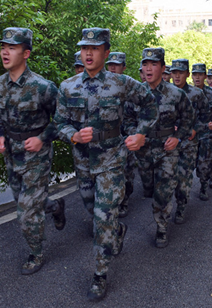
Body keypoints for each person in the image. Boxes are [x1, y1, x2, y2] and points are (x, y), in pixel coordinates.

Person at [53, 28, 158, 301]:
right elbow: (59, 123)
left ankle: (99, 275)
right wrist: (72, 135)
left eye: (95, 48)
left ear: (106, 52)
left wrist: (141, 133)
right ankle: (118, 230)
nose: (88, 53)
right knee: (92, 209)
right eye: (84, 48)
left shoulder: (121, 83)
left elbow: (150, 105)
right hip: (83, 161)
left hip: (112, 158)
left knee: (102, 218)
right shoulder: (67, 86)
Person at [0, 27, 66, 276]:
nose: (5, 52)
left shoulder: (43, 87)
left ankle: (36, 253)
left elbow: (63, 120)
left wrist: (43, 138)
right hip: (12, 154)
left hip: (37, 155)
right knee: (25, 200)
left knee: (25, 211)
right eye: (3, 47)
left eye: (12, 47)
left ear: (26, 53)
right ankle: (54, 207)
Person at [131, 48, 194, 248]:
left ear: (163, 68)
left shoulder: (176, 94)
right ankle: (156, 204)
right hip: (144, 150)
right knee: (148, 188)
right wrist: (134, 136)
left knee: (163, 191)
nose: (149, 69)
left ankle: (161, 227)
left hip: (168, 150)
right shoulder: (135, 93)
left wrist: (177, 138)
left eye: (154, 64)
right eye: (145, 64)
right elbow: (125, 121)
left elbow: (188, 120)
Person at [170, 59, 210, 224]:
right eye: (174, 72)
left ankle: (181, 206)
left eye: (181, 72)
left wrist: (196, 129)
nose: (177, 76)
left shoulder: (196, 94)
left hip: (188, 143)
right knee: (166, 178)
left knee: (184, 177)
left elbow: (205, 116)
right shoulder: (164, 92)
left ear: (187, 74)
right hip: (168, 143)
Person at [104, 51, 138, 218]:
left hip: (126, 138)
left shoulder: (131, 88)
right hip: (108, 141)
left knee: (127, 172)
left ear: (123, 68)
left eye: (116, 65)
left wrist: (136, 134)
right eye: (110, 64)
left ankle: (124, 201)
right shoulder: (100, 87)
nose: (112, 68)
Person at [191, 63, 212, 198]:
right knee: (187, 165)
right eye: (195, 74)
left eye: (200, 74)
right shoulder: (185, 93)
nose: (197, 77)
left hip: (206, 134)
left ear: (205, 76)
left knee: (204, 164)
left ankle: (203, 187)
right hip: (189, 135)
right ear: (191, 76)